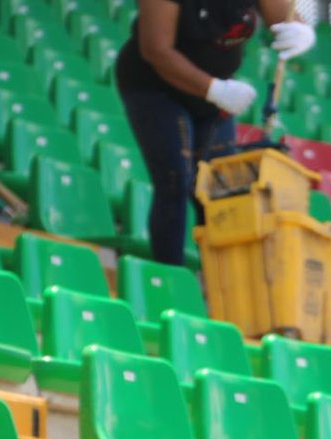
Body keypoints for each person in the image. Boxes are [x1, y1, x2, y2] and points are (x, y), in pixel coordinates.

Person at [116, 0, 315, 266]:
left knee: (219, 190)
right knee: (174, 180)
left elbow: (282, 16)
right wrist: (215, 90)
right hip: (156, 87)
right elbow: (156, 50)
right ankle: (169, 278)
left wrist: (301, 32)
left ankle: (221, 282)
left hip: (213, 97)